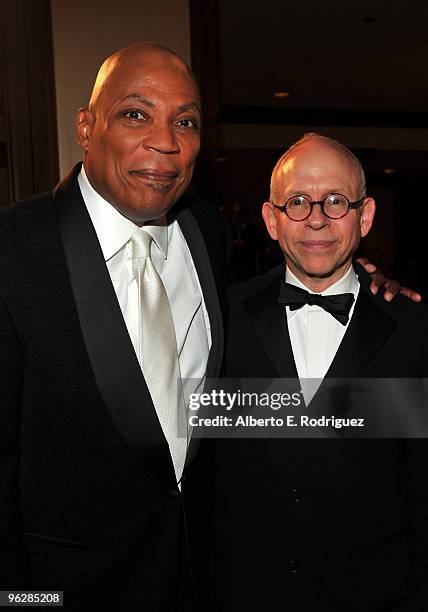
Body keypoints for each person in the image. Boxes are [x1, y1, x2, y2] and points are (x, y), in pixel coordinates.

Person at [0, 42, 228, 610]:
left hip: (201, 576)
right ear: (86, 127)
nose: (166, 141)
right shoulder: (12, 248)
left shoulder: (210, 232)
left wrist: (355, 284)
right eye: (135, 113)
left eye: (186, 120)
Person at [211, 133, 428, 610]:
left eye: (334, 201)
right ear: (271, 219)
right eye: (296, 202)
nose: (315, 218)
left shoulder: (413, 330)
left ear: (364, 215)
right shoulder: (219, 318)